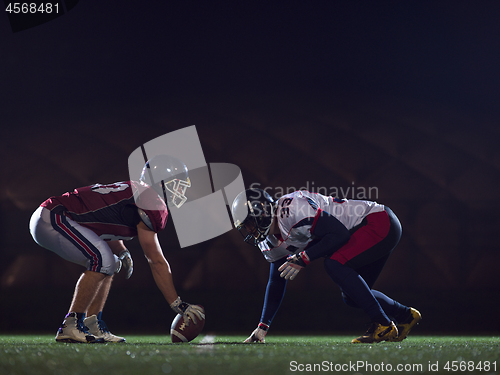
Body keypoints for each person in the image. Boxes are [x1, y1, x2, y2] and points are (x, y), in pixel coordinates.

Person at [29, 155, 205, 343]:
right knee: (102, 260)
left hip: (54, 216)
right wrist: (176, 302)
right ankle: (70, 325)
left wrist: (122, 251)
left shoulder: (139, 193)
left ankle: (91, 324)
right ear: (161, 182)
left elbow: (104, 220)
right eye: (176, 184)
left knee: (110, 262)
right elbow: (155, 260)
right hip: (55, 216)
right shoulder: (151, 201)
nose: (180, 191)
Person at [231, 188, 421, 344]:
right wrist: (263, 327)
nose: (249, 230)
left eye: (249, 223)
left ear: (262, 212)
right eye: (245, 227)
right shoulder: (269, 243)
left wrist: (304, 258)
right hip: (369, 229)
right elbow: (276, 280)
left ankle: (383, 324)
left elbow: (339, 235)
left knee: (334, 264)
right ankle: (404, 315)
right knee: (352, 297)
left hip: (377, 221)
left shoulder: (293, 208)